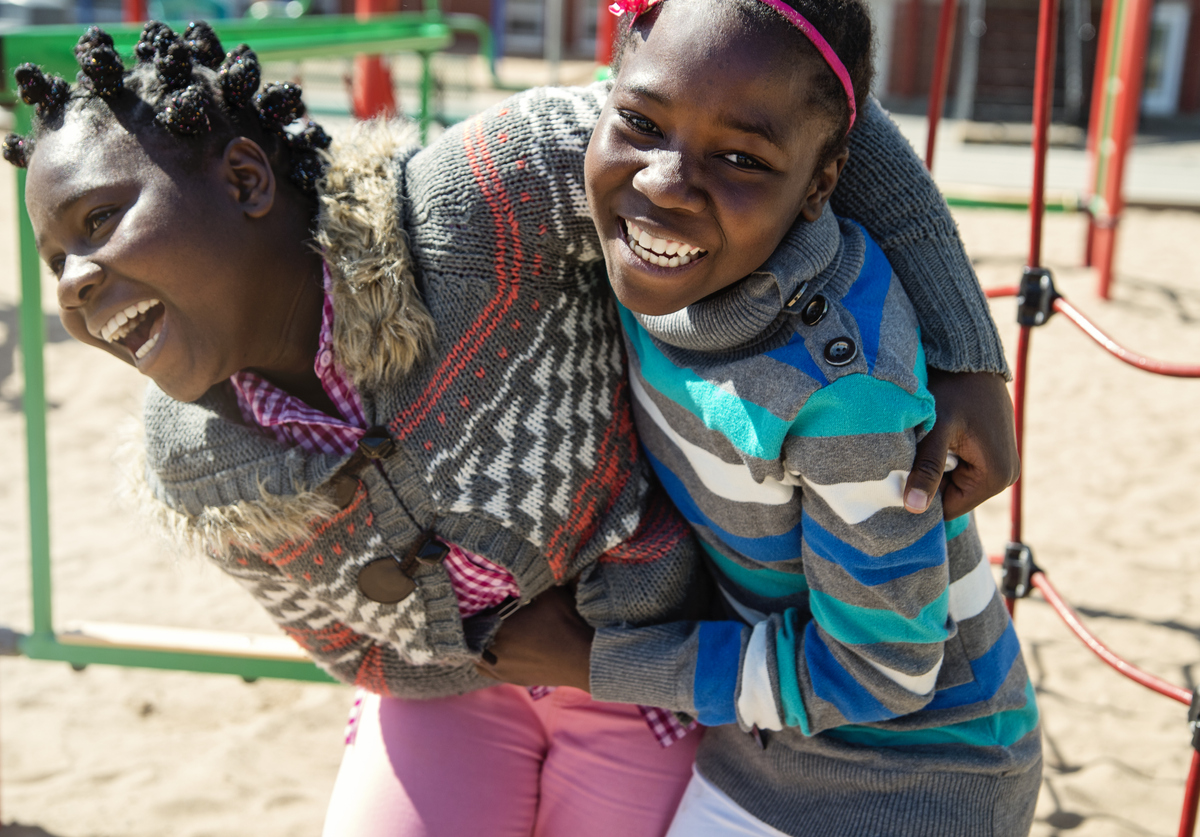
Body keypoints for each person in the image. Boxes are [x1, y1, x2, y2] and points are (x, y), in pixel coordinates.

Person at [4, 15, 1019, 837]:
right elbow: (332, 635)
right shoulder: (196, 461)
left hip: (654, 653)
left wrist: (970, 351)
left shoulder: (479, 204)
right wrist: (456, 651)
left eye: (99, 224)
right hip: (459, 686)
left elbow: (798, 84)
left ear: (242, 181)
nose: (77, 284)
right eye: (55, 262)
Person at [478, 1, 1043, 835]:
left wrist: (591, 661)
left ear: (821, 184)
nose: (664, 183)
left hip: (917, 773)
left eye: (741, 157)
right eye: (639, 121)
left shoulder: (838, 398)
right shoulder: (655, 252)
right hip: (765, 737)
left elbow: (882, 673)